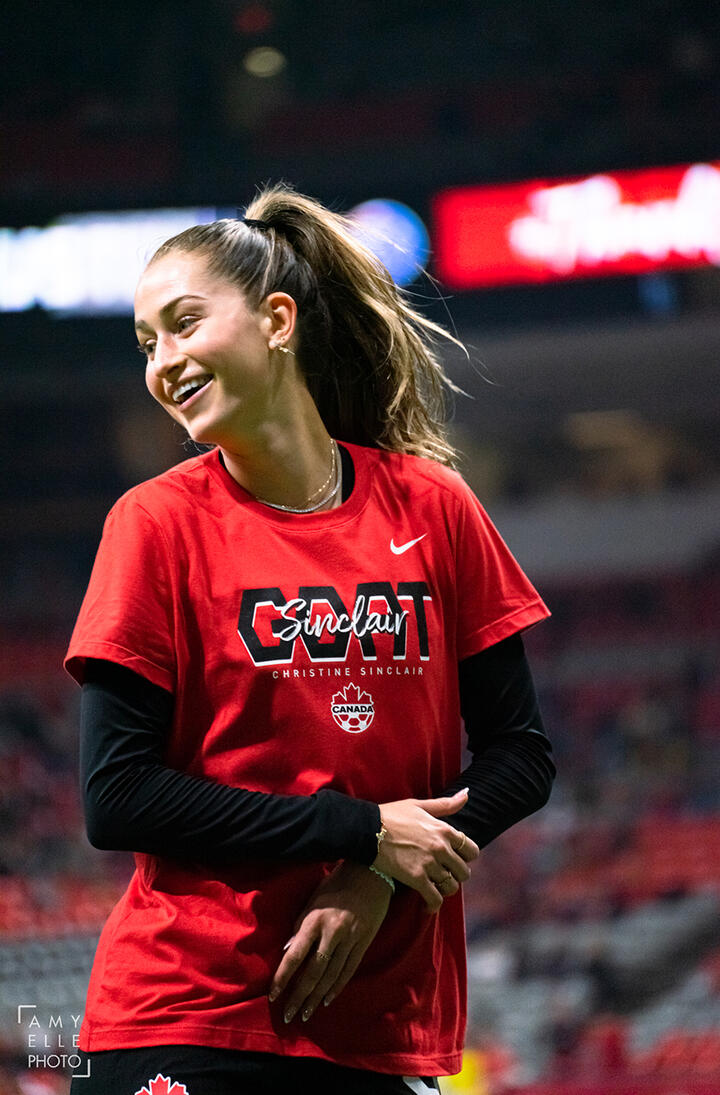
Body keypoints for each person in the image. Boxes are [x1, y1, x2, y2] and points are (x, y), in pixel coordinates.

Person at [64, 184, 555, 1095]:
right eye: (146, 343)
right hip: (189, 1014)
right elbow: (117, 795)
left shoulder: (432, 506)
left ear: (278, 319)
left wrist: (384, 873)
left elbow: (521, 755)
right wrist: (362, 832)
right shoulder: (154, 524)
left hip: (381, 1029)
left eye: (182, 324)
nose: (163, 362)